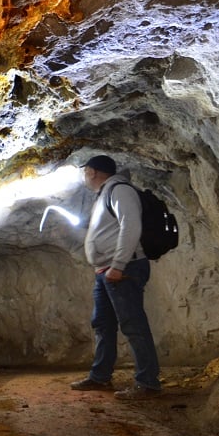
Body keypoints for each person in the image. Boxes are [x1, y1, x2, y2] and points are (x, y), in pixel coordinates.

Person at [69, 155, 163, 400]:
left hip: (123, 269)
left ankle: (148, 383)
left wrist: (118, 265)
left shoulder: (120, 190)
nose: (84, 176)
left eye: (85, 171)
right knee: (103, 324)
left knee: (133, 325)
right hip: (106, 270)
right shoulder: (105, 194)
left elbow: (130, 227)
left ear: (92, 171)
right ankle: (100, 377)